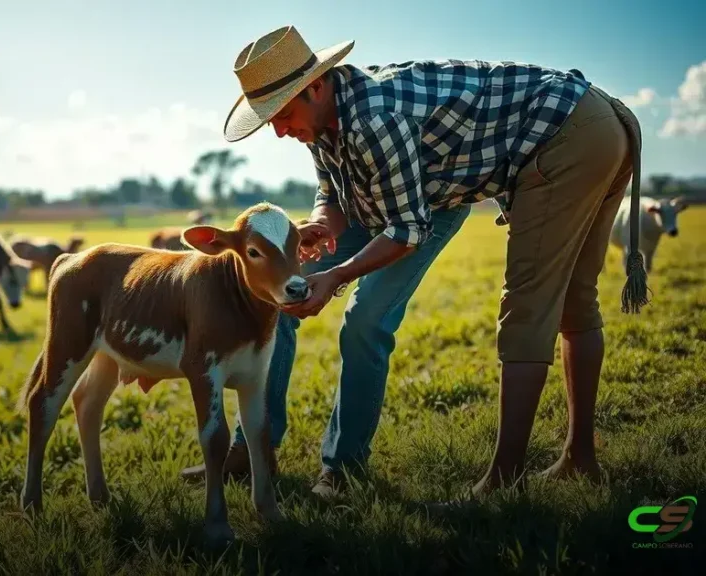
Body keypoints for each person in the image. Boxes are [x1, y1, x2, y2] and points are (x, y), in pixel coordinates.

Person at [179, 25, 649, 501]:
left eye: (282, 114)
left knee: (378, 319)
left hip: (562, 133)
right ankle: (253, 449)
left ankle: (427, 477)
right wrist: (320, 224)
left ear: (315, 87)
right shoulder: (320, 121)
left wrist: (337, 275)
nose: (280, 130)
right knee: (271, 290)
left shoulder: (375, 118)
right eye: (270, 121)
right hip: (572, 128)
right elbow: (331, 192)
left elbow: (407, 228)